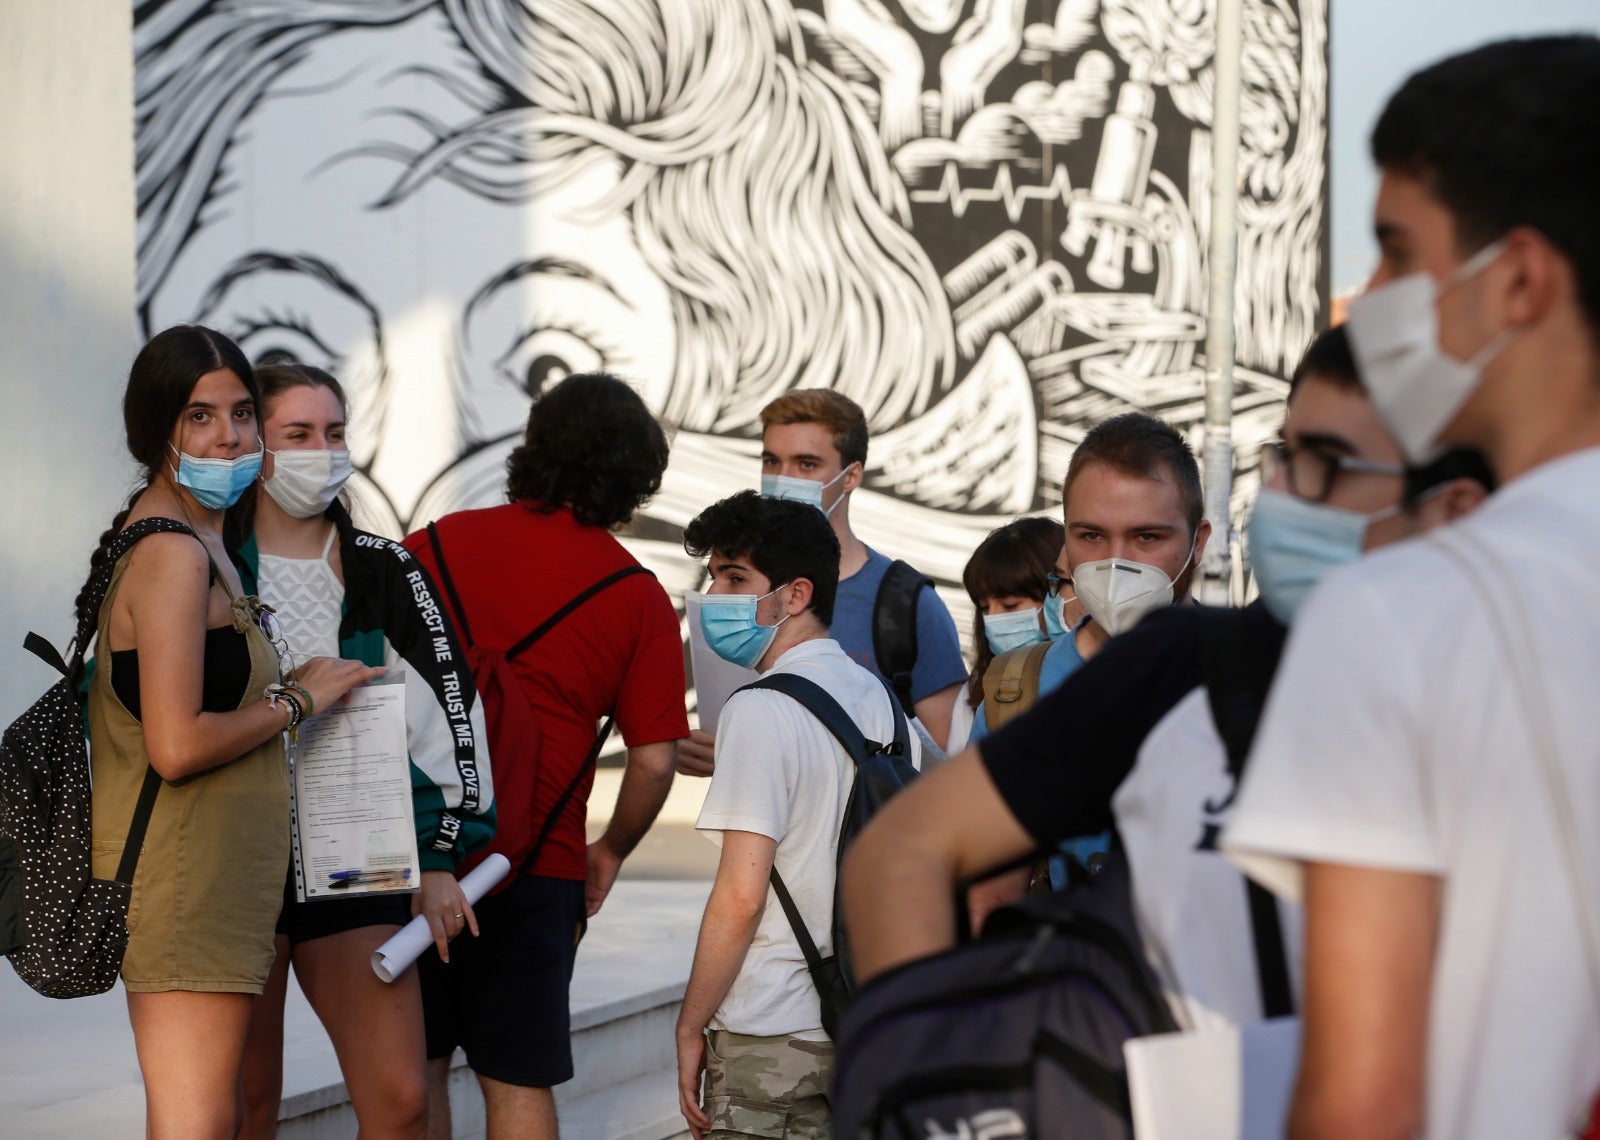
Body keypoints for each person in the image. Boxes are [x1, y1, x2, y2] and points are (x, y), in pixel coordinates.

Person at [838, 325, 1491, 1041]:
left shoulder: (1484, 704)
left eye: (1326, 462)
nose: (1285, 492)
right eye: (1289, 456)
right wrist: (933, 1071)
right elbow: (909, 855)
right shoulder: (1176, 664)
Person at [1222, 36, 1600, 1139]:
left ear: (1520, 278)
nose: (1373, 298)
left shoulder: (1398, 617)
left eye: (1396, 253)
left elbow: (1360, 1101)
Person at [78, 325, 381, 1137]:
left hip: (218, 879)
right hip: (187, 881)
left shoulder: (200, 537)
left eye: (242, 413)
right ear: (156, 429)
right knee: (197, 1124)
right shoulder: (173, 552)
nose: (230, 436)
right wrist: (298, 701)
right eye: (199, 416)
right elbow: (176, 746)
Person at [402, 372, 686, 1140]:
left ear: (533, 447)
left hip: (413, 854)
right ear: (636, 478)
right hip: (536, 864)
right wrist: (612, 850)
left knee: (413, 1071)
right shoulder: (636, 594)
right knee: (516, 1077)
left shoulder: (433, 546)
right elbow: (657, 762)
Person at [228, 364, 493, 1139]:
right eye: (298, 434)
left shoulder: (388, 569)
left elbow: (451, 715)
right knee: (244, 1105)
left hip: (359, 853)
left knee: (402, 1101)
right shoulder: (204, 562)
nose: (323, 450)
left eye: (335, 432)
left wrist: (441, 855)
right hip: (235, 856)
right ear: (257, 444)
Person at [675, 491, 921, 1140]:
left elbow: (740, 896)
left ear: (794, 595)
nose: (714, 594)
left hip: (771, 1035)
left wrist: (689, 1023)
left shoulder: (760, 711)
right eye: (712, 576)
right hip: (866, 1024)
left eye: (734, 577)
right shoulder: (886, 705)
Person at [677, 389, 966, 776]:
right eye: (771, 461)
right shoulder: (733, 593)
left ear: (852, 476)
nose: (783, 479)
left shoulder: (907, 604)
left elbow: (947, 767)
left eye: (807, 464)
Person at [967, 410, 1210, 744]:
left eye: (1147, 536)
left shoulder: (1258, 678)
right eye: (1092, 536)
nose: (1116, 561)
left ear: (1198, 542)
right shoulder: (1015, 690)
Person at [952, 516, 1069, 753]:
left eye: (1010, 606)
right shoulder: (977, 690)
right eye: (984, 608)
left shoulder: (1100, 674)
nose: (994, 620)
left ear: (1057, 592)